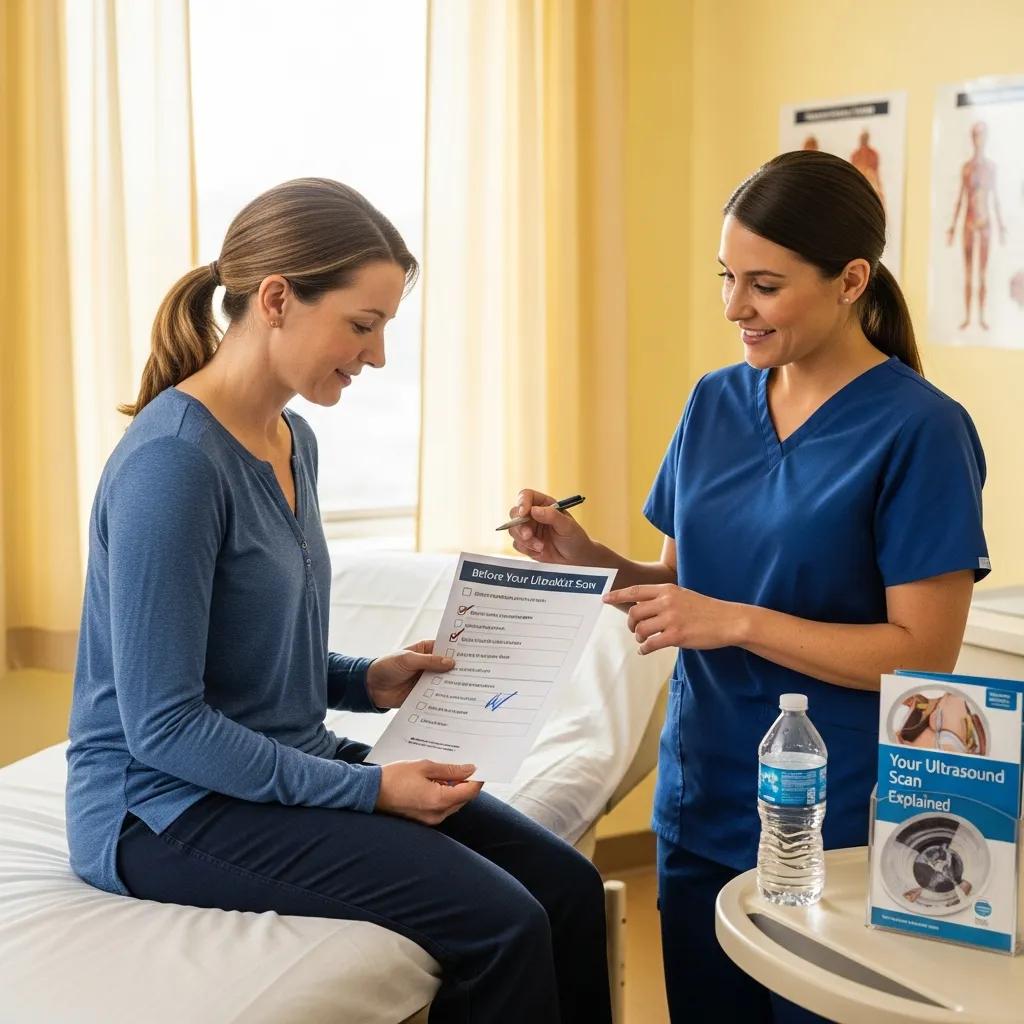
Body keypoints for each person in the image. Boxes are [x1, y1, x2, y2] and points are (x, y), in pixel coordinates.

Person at [66, 178, 611, 1024]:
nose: (378, 355)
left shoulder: (292, 437)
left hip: (265, 770)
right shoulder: (174, 465)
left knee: (567, 888)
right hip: (160, 807)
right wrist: (369, 792)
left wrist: (368, 680)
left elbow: (247, 652)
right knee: (502, 924)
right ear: (277, 299)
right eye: (364, 325)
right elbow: (163, 724)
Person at [509, 150, 988, 1024]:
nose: (735, 307)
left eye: (764, 284)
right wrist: (585, 555)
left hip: (836, 814)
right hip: (703, 795)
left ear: (851, 280)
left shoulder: (922, 431)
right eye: (727, 277)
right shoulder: (714, 402)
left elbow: (923, 654)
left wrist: (733, 621)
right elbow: (676, 588)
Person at [947, 121, 1007, 330]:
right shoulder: (967, 168)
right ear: (972, 139)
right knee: (968, 272)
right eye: (976, 135)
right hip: (969, 223)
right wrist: (953, 227)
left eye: (982, 135)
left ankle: (981, 317)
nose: (978, 140)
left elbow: (996, 198)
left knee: (981, 273)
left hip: (985, 223)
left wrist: (1001, 226)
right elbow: (961, 198)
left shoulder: (991, 168)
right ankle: (967, 317)